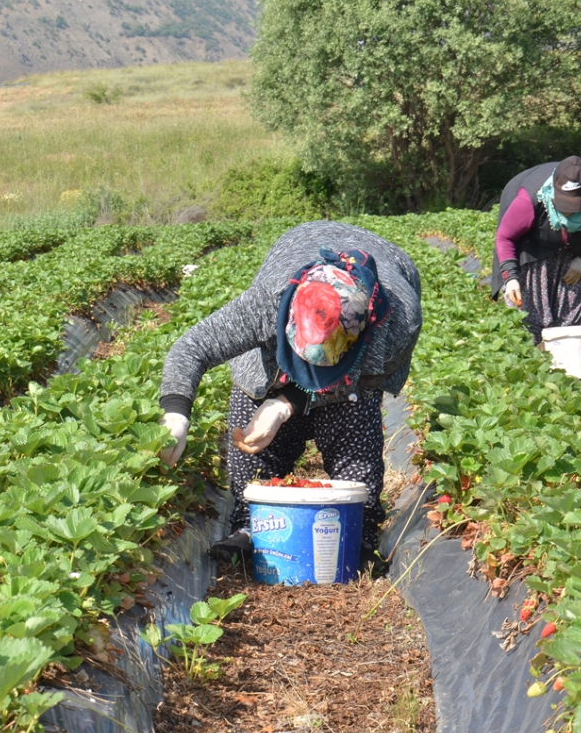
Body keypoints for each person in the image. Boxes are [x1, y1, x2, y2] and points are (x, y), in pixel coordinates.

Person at [158, 221, 422, 565]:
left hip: (361, 369)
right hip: (293, 259)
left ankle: (360, 533)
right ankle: (250, 526)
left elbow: (362, 383)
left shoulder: (397, 324)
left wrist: (285, 406)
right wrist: (176, 415)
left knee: (355, 445)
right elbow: (191, 349)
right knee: (252, 441)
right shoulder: (269, 302)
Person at [491, 156, 581, 344]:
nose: (568, 212)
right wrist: (510, 277)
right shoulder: (529, 199)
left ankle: (562, 349)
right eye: (563, 205)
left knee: (574, 296)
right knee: (527, 306)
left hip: (576, 246)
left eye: (574, 206)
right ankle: (530, 350)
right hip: (532, 246)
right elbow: (505, 237)